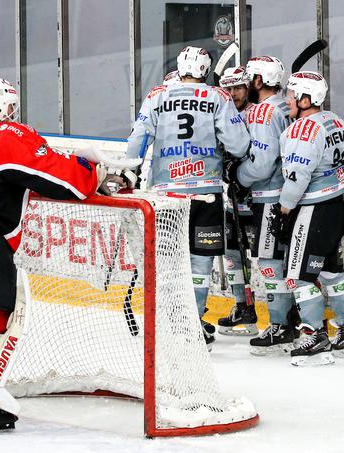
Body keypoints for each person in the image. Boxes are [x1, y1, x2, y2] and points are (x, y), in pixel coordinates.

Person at [0, 76, 134, 431]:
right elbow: (65, 180)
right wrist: (94, 169)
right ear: (4, 107)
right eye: (11, 106)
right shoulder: (10, 136)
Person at [125, 46, 251, 350]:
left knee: (167, 263)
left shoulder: (157, 95)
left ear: (180, 68)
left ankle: (171, 324)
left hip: (167, 196)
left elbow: (137, 141)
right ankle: (192, 325)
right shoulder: (218, 97)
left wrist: (129, 173)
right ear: (205, 71)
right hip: (206, 193)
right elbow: (239, 144)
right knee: (200, 265)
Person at [272, 70, 344, 366]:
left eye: (291, 94)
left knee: (299, 276)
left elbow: (297, 179)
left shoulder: (301, 130)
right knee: (331, 273)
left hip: (312, 211)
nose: (288, 99)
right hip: (338, 208)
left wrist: (284, 210)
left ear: (305, 98)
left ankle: (315, 337)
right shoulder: (337, 121)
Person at [218, 56, 300, 355]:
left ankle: (281, 326)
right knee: (279, 261)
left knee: (269, 264)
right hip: (284, 195)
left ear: (256, 82)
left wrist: (238, 175)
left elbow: (263, 164)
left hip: (269, 196)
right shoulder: (283, 106)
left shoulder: (265, 113)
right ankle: (291, 319)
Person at [216, 66, 258, 336]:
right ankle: (243, 306)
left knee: (271, 259)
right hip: (233, 199)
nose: (233, 94)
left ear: (248, 88)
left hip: (259, 199)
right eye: (228, 89)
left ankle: (290, 317)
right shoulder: (220, 115)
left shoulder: (258, 115)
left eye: (238, 88)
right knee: (233, 253)